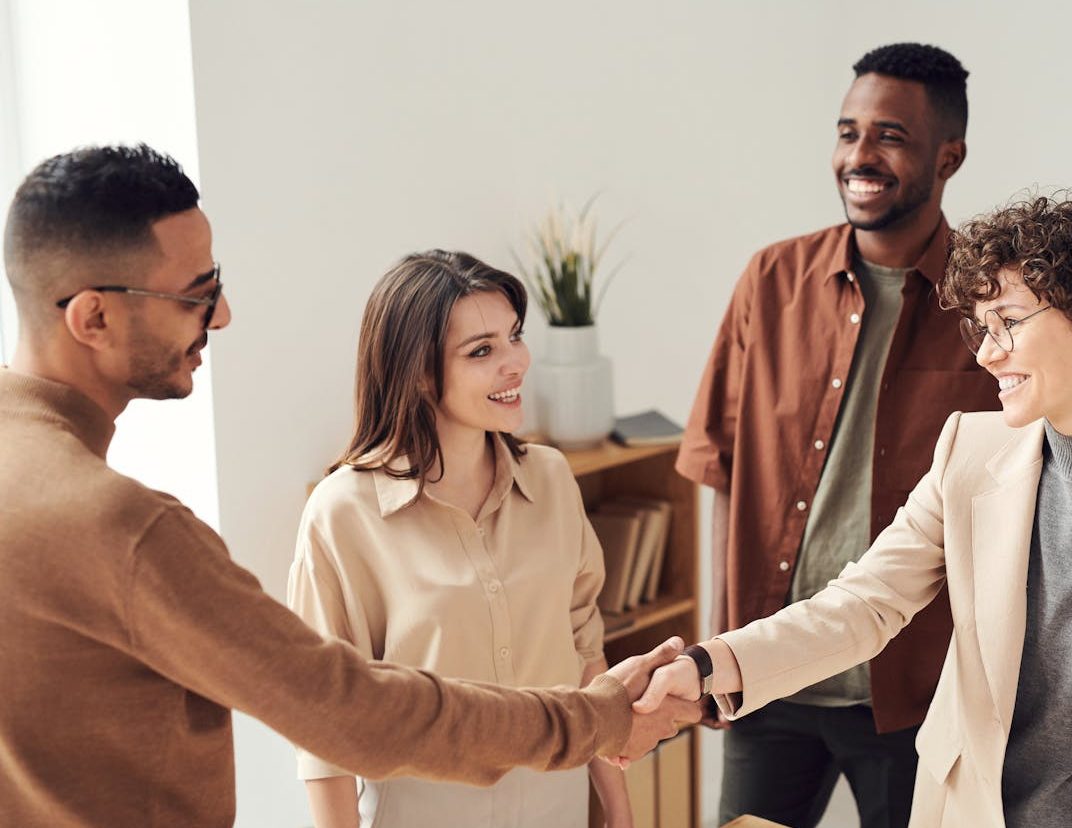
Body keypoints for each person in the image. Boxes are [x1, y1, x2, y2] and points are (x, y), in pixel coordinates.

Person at [0, 144, 698, 828]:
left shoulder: (548, 479)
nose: (222, 316)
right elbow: (345, 712)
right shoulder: (123, 527)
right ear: (91, 317)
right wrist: (596, 718)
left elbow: (578, 638)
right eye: (196, 295)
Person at [640, 193, 1072, 826]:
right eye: (982, 327)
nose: (985, 353)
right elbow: (864, 605)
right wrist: (706, 665)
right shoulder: (966, 455)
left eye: (1009, 322)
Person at [676, 42, 998, 828]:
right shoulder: (770, 282)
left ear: (947, 157)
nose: (860, 156)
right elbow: (717, 469)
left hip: (913, 691)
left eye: (889, 136)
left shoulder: (990, 304)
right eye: (848, 131)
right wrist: (720, 648)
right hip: (769, 675)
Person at [289, 251, 632, 828]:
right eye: (482, 351)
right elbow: (324, 725)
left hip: (559, 813)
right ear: (419, 374)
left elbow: (586, 656)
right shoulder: (344, 513)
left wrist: (618, 812)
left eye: (514, 337)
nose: (515, 363)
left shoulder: (550, 479)